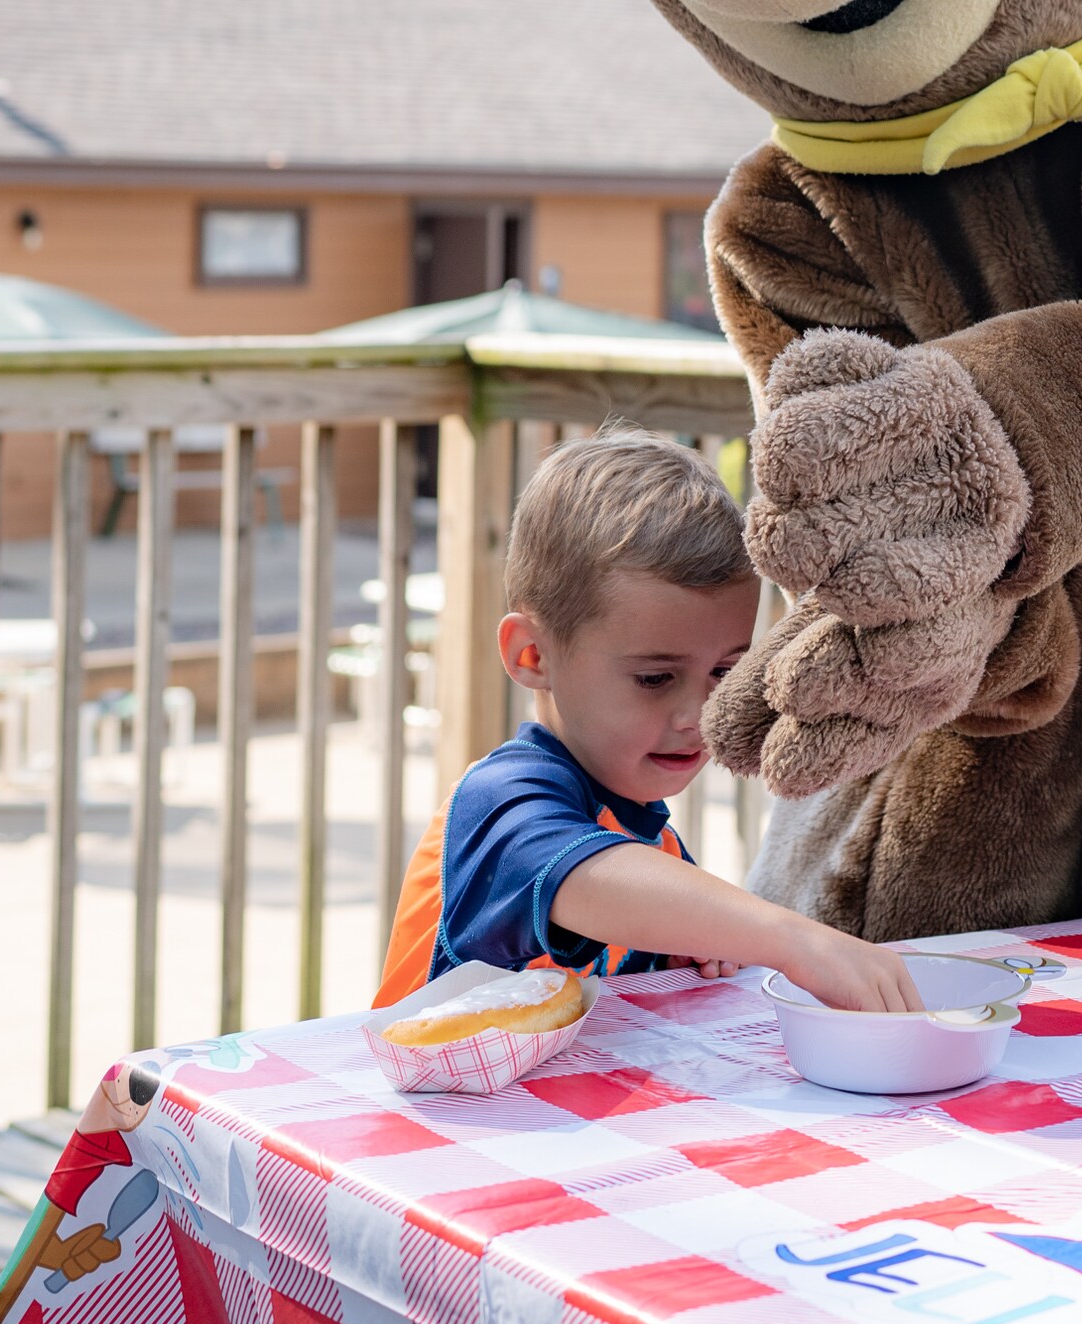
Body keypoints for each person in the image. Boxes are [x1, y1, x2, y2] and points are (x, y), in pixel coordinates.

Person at [373, 426, 919, 1012]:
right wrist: (793, 939)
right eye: (655, 679)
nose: (698, 715)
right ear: (532, 656)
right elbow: (584, 875)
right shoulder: (499, 808)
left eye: (723, 672)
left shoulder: (653, 844)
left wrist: (703, 943)